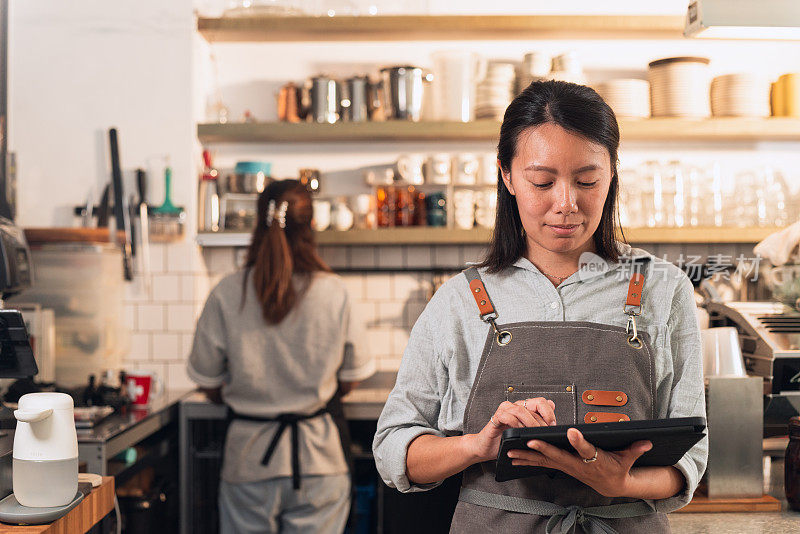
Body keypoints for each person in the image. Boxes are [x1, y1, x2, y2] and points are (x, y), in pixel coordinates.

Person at [373, 80, 707, 533]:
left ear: (612, 173)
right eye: (542, 182)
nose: (566, 204)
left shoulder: (662, 289)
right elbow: (395, 449)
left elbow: (690, 457)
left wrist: (621, 483)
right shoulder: (459, 299)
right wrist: (478, 446)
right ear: (507, 177)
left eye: (587, 180)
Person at [188, 179, 375, 534]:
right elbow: (352, 377)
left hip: (248, 460)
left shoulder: (227, 292)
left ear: (259, 222)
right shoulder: (333, 291)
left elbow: (207, 381)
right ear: (312, 226)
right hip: (320, 459)